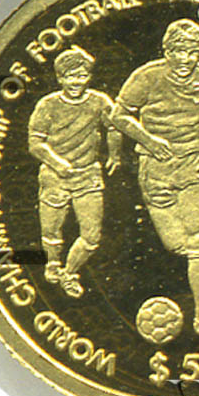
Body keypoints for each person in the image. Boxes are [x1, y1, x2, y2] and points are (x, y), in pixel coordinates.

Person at [111, 19, 199, 341]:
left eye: (192, 52)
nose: (186, 59)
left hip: (192, 164)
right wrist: (149, 140)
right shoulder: (146, 76)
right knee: (176, 244)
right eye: (179, 51)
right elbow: (118, 115)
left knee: (198, 241)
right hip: (155, 168)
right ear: (167, 51)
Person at [28, 45, 121, 298]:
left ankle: (69, 273)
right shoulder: (47, 105)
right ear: (60, 78)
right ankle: (52, 263)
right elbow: (35, 143)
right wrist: (57, 163)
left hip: (88, 176)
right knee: (51, 232)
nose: (76, 81)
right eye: (70, 76)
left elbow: (115, 126)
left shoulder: (100, 101)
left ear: (89, 76)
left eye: (81, 75)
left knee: (91, 237)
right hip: (54, 177)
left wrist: (114, 154)